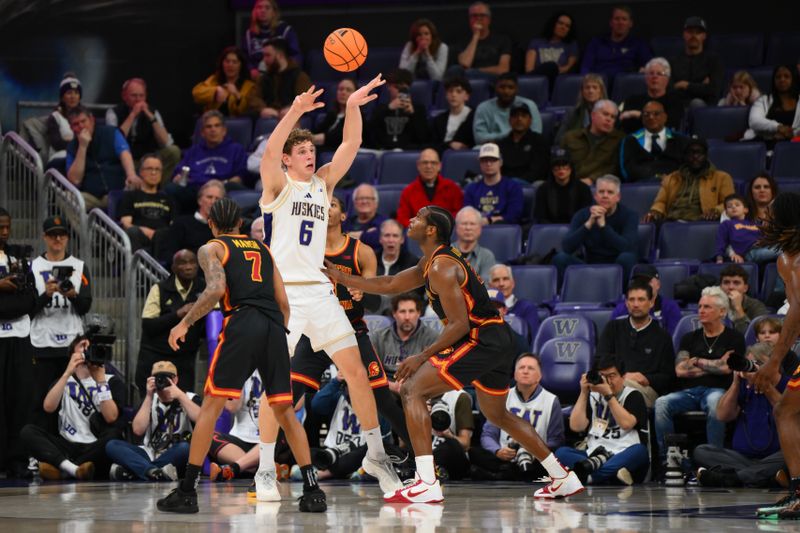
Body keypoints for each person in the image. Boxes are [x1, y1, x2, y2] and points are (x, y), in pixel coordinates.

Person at [323, 205, 585, 502]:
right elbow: (391, 283)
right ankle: (562, 476)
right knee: (496, 414)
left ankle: (426, 481)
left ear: (431, 229)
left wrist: (420, 356)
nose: (411, 220)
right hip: (496, 338)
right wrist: (344, 279)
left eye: (418, 218)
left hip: (480, 337)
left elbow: (459, 324)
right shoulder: (431, 262)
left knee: (411, 389)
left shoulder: (441, 267)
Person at [255, 78, 404, 500]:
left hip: (320, 292)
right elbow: (270, 150)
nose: (309, 155)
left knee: (356, 373)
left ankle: (376, 454)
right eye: (301, 152)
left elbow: (351, 144)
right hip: (284, 297)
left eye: (310, 150)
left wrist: (353, 105)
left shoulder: (323, 184)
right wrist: (297, 111)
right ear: (287, 160)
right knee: (277, 386)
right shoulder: (278, 186)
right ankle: (265, 468)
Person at [156, 198, 327, 513]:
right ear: (239, 224)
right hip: (275, 325)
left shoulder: (212, 248)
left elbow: (215, 290)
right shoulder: (264, 249)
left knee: (210, 407)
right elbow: (284, 302)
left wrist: (184, 322)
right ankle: (314, 491)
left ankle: (186, 492)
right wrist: (277, 334)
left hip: (242, 322)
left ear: (211, 223)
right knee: (285, 411)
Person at [286, 195, 410, 449]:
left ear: (343, 216)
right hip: (316, 334)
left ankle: (423, 457)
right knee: (286, 399)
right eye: (322, 205)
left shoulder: (361, 252)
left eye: (332, 204)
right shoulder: (305, 251)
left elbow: (375, 297)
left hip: (352, 332)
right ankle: (269, 464)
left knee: (383, 398)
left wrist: (362, 290)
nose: (326, 208)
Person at [654, 286, 746, 463]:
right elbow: (680, 370)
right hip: (689, 391)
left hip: (719, 390)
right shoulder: (689, 338)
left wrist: (695, 361)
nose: (701, 311)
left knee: (714, 404)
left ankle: (716, 461)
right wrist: (715, 363)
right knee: (661, 403)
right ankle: (670, 460)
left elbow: (727, 368)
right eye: (700, 306)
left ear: (722, 312)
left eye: (707, 307)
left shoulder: (734, 338)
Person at [752, 192, 800, 518]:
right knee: (787, 410)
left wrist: (774, 360)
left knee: (785, 412)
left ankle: (798, 493)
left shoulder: (791, 258)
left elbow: (798, 309)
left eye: (769, 214)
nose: (764, 219)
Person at [20, 334, 124, 481]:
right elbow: (48, 407)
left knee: (114, 437)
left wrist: (100, 381)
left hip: (95, 446)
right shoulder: (63, 381)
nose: (87, 350)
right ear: (72, 353)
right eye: (83, 345)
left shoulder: (111, 381)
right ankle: (74, 469)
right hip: (67, 445)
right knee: (28, 431)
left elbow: (111, 417)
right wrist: (67, 372)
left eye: (91, 347)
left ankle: (63, 468)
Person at [694, 342, 787, 488]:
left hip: (776, 456)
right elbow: (722, 415)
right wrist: (736, 383)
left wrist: (766, 386)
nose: (752, 368)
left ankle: (732, 478)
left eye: (758, 363)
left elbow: (786, 413)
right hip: (742, 458)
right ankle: (763, 478)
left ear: (773, 364)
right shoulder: (744, 385)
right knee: (702, 451)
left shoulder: (787, 384)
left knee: (789, 457)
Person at [29, 216, 92, 424]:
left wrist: (72, 294)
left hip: (71, 344)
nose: (57, 239)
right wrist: (46, 294)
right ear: (44, 237)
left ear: (67, 237)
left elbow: (85, 306)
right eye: (52, 235)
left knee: (71, 400)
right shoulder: (33, 266)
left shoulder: (80, 266)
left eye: (62, 234)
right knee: (40, 401)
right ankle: (39, 451)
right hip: (42, 342)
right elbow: (27, 309)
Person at [556, 354, 650, 485]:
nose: (607, 381)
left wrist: (608, 395)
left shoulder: (633, 395)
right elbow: (576, 426)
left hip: (622, 454)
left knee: (640, 451)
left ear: (623, 377)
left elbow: (626, 424)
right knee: (561, 453)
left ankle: (590, 478)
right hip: (594, 455)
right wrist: (583, 392)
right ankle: (611, 476)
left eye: (611, 376)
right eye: (603, 377)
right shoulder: (593, 396)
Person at [470, 354, 564, 481]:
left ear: (540, 375)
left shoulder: (551, 400)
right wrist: (498, 451)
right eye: (521, 368)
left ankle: (501, 475)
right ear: (514, 374)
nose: (525, 371)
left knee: (560, 456)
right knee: (474, 453)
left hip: (536, 458)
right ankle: (511, 473)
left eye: (531, 368)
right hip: (506, 455)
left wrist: (535, 451)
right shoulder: (502, 396)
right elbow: (488, 434)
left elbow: (556, 439)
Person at [106, 361, 200, 481]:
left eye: (167, 378)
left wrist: (180, 396)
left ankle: (137, 471)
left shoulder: (190, 398)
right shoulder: (150, 400)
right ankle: (155, 472)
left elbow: (200, 419)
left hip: (174, 454)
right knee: (112, 445)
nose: (162, 382)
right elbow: (137, 430)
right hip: (150, 453)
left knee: (185, 448)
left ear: (175, 379)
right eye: (158, 378)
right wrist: (149, 396)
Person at [597, 278, 676, 407]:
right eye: (631, 300)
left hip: (646, 390)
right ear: (626, 303)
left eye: (641, 299)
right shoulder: (613, 327)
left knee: (625, 389)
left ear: (651, 302)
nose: (635, 304)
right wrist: (619, 376)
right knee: (591, 385)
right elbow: (600, 360)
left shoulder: (662, 336)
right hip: (613, 383)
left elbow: (669, 377)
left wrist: (646, 378)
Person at [134, 250, 204, 394]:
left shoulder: (204, 290)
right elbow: (148, 325)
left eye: (192, 262)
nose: (189, 267)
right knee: (150, 405)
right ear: (173, 267)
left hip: (185, 360)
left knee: (183, 405)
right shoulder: (159, 289)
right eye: (183, 263)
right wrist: (178, 314)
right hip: (156, 357)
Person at [307, 366, 395, 480]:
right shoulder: (338, 398)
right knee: (307, 452)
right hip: (332, 454)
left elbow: (384, 442)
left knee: (366, 451)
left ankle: (326, 473)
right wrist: (336, 381)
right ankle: (343, 471)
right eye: (350, 385)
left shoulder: (376, 405)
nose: (354, 389)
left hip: (361, 455)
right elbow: (316, 405)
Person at [0, 208, 37, 477]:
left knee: (20, 399)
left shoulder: (19, 258)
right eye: (0, 227)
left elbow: (30, 300)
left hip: (20, 337)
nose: (4, 232)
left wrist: (11, 303)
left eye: (7, 226)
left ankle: (17, 460)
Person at [552, 174, 639, 284]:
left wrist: (603, 227)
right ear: (595, 196)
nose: (605, 196)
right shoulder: (582, 215)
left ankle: (623, 296)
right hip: (590, 266)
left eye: (610, 192)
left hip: (617, 266)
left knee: (627, 258)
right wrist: (588, 224)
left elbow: (627, 247)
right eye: (601, 192)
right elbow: (567, 247)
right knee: (560, 258)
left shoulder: (629, 215)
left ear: (618, 197)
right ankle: (565, 296)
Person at [167, 111, 248, 214]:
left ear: (224, 130)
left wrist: (219, 185)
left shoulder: (236, 149)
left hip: (223, 187)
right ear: (202, 132)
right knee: (170, 188)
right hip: (195, 189)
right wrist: (179, 177)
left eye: (217, 126)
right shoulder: (194, 151)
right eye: (208, 127)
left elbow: (240, 177)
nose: (213, 129)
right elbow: (180, 171)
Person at [65, 106, 140, 211]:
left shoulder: (111, 132)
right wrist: (82, 147)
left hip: (117, 190)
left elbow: (125, 154)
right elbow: (75, 180)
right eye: (76, 124)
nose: (81, 126)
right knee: (66, 198)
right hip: (92, 196)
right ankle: (85, 228)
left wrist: (131, 174)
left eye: (83, 121)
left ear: (92, 120)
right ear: (71, 128)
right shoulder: (72, 147)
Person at [105, 78, 181, 181]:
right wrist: (132, 115)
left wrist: (150, 116)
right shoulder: (113, 112)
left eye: (141, 96)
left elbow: (166, 142)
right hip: (125, 159)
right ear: (124, 96)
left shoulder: (153, 112)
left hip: (149, 156)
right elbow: (113, 142)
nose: (138, 100)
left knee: (174, 151)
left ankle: (162, 190)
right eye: (134, 95)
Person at [644, 138, 735, 222]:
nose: (695, 156)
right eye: (691, 153)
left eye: (699, 153)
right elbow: (661, 202)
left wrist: (716, 211)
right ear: (685, 156)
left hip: (701, 222)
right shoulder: (672, 178)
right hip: (672, 222)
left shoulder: (722, 177)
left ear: (706, 155)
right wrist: (655, 211)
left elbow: (729, 203)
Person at [370, 293, 439, 392]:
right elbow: (371, 372)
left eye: (411, 311)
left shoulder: (432, 338)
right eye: (402, 311)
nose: (407, 317)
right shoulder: (378, 337)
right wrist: (392, 386)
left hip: (420, 387)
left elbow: (436, 373)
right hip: (387, 388)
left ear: (418, 313)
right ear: (394, 313)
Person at [207, 370, 264, 481]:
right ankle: (259, 468)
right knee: (206, 436)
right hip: (239, 442)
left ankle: (234, 468)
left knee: (283, 433)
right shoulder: (241, 367)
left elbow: (296, 405)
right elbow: (231, 407)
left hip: (269, 439)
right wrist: (241, 372)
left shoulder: (277, 363)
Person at [118, 154, 176, 255]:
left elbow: (173, 225)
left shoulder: (169, 199)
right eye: (149, 168)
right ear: (140, 172)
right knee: (132, 232)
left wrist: (157, 234)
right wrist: (147, 231)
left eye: (157, 169)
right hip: (140, 236)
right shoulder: (130, 196)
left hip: (161, 238)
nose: (153, 172)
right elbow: (126, 223)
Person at [619, 100, 688, 182]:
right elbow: (627, 171)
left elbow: (687, 168)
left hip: (675, 186)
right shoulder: (630, 140)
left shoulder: (681, 140)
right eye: (646, 114)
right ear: (642, 119)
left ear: (665, 117)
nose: (651, 117)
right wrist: (653, 178)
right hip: (640, 188)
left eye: (656, 114)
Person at [561, 100, 624, 185]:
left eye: (613, 117)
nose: (609, 119)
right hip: (569, 183)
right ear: (593, 115)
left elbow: (615, 168)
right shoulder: (571, 137)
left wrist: (592, 179)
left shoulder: (620, 140)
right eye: (605, 114)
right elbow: (559, 163)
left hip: (601, 186)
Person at [367, 220, 423, 315]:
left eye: (395, 236)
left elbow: (413, 296)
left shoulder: (412, 263)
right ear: (380, 239)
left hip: (399, 310)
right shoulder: (370, 259)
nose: (391, 240)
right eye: (387, 235)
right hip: (372, 308)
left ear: (402, 239)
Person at [397, 149, 463, 228]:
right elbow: (402, 218)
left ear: (439, 166)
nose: (429, 166)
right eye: (425, 163)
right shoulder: (408, 191)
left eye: (433, 163)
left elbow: (459, 214)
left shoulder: (453, 188)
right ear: (418, 165)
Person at [367, 68, 429, 150]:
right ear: (389, 87)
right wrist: (388, 108)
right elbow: (369, 133)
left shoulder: (418, 109)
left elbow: (424, 138)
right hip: (383, 151)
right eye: (396, 87)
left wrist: (413, 114)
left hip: (408, 152)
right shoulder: (380, 109)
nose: (399, 91)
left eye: (403, 88)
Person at [618, 57, 684, 134]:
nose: (654, 77)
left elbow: (668, 126)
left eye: (659, 74)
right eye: (651, 73)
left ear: (667, 79)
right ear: (646, 78)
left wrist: (637, 114)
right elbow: (626, 126)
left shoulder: (674, 102)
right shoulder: (633, 100)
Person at [580, 6, 651, 76]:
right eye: (617, 19)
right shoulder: (596, 43)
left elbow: (650, 66)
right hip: (599, 83)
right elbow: (585, 67)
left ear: (630, 23)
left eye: (624, 19)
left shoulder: (638, 44)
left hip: (625, 84)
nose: (620, 23)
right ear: (611, 23)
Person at [610, 266, 682, 335]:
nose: (643, 286)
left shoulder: (670, 308)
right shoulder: (621, 309)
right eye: (639, 282)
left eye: (648, 281)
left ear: (658, 285)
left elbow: (672, 341)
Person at [669, 17, 724, 108]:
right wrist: (701, 87)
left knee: (697, 103)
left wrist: (686, 85)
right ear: (684, 34)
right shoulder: (674, 61)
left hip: (704, 110)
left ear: (704, 36)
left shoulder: (713, 60)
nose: (693, 36)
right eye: (690, 32)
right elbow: (670, 90)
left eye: (698, 32)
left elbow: (714, 90)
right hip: (679, 107)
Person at [463, 143, 524, 225]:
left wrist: (489, 220)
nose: (488, 164)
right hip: (477, 231)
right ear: (480, 163)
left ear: (500, 162)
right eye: (484, 160)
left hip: (505, 232)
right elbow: (467, 216)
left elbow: (514, 217)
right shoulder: (471, 189)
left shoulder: (513, 187)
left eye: (493, 159)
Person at [162, 180, 224, 261]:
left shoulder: (224, 229)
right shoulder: (181, 223)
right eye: (209, 197)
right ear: (199, 200)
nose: (213, 202)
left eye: (217, 199)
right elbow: (167, 254)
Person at [250, 38, 312, 119]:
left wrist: (293, 109)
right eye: (264, 55)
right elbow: (254, 98)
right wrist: (262, 109)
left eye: (268, 55)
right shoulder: (264, 78)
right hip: (268, 119)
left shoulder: (299, 76)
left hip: (292, 119)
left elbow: (306, 99)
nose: (264, 60)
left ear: (280, 55)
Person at [473, 73, 542, 145]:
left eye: (511, 87)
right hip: (494, 147)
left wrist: (499, 137)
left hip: (523, 145)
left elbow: (536, 134)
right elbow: (479, 139)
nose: (506, 91)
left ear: (517, 89)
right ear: (495, 88)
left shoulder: (529, 105)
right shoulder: (483, 108)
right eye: (502, 87)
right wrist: (510, 135)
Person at [242, 0, 301, 79]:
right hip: (257, 77)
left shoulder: (285, 30)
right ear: (254, 11)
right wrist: (251, 69)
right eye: (259, 7)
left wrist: (287, 70)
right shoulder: (249, 34)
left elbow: (296, 56)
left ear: (274, 12)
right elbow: (245, 58)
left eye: (267, 7)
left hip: (282, 74)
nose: (263, 10)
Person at [192, 46, 257, 117]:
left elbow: (245, 110)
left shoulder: (249, 86)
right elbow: (197, 93)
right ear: (222, 63)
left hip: (236, 124)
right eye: (227, 61)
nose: (230, 65)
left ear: (240, 65)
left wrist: (237, 95)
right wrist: (215, 91)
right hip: (213, 122)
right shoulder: (214, 79)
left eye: (234, 62)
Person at [451, 2, 512, 78]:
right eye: (474, 16)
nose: (478, 18)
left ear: (489, 20)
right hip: (468, 80)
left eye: (482, 15)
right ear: (470, 20)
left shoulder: (502, 40)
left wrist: (476, 71)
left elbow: (503, 69)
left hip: (493, 78)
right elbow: (465, 64)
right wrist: (476, 36)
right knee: (454, 70)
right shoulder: (461, 41)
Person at [532, 149, 592, 224]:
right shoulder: (543, 189)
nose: (561, 169)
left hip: (576, 229)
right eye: (557, 165)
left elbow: (585, 215)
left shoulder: (583, 188)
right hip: (550, 230)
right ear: (552, 170)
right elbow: (539, 216)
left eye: (564, 164)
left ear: (570, 168)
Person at [745, 65, 800, 146]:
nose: (782, 79)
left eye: (786, 76)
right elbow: (754, 121)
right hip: (767, 146)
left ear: (793, 79)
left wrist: (792, 134)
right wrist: (778, 128)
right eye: (778, 77)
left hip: (795, 147)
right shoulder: (763, 100)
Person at [428, 388, 474, 480]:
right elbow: (403, 444)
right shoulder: (416, 397)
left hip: (450, 454)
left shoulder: (459, 397)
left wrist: (449, 434)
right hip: (424, 450)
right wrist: (419, 417)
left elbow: (465, 444)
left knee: (451, 445)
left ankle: (433, 470)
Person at [497, 104, 550, 182]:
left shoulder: (539, 141)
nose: (519, 119)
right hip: (505, 184)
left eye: (523, 116)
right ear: (510, 121)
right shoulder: (502, 143)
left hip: (530, 184)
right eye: (515, 116)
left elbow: (539, 170)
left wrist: (517, 182)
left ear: (530, 120)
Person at [488, 264, 540, 343]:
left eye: (505, 279)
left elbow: (533, 342)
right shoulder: (483, 309)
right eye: (496, 280)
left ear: (513, 283)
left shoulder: (527, 308)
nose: (501, 284)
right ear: (490, 285)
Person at [524, 12, 578, 86]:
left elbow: (567, 67)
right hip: (537, 80)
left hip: (558, 81)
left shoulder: (571, 45)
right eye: (560, 23)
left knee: (552, 66)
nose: (563, 27)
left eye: (567, 26)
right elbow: (529, 70)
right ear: (553, 24)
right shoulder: (536, 42)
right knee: (550, 66)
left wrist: (553, 70)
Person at [715, 194, 771, 265]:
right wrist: (719, 258)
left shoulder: (755, 224)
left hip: (763, 247)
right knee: (783, 250)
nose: (733, 207)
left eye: (737, 205)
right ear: (726, 212)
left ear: (745, 209)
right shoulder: (726, 224)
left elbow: (765, 237)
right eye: (729, 206)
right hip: (749, 253)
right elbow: (721, 241)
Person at [555, 74, 608, 145]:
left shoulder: (610, 113)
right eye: (587, 87)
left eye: (595, 87)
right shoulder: (572, 113)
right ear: (582, 92)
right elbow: (559, 139)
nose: (591, 91)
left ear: (601, 92)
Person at [428, 76, 475, 153]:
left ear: (466, 96)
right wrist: (449, 144)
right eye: (450, 91)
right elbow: (433, 145)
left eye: (458, 91)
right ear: (446, 95)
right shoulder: (439, 119)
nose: (453, 95)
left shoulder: (474, 116)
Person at [719, 265, 769, 335]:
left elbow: (753, 338)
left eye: (736, 283)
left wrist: (738, 309)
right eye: (726, 282)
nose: (731, 287)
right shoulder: (714, 304)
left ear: (745, 288)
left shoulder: (757, 306)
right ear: (721, 287)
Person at [45, 73, 82, 168]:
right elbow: (57, 143)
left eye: (76, 93)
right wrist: (80, 142)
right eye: (69, 93)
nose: (73, 97)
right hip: (60, 158)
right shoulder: (55, 117)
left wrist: (71, 141)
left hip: (81, 156)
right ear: (62, 97)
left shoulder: (86, 117)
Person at [311, 78, 358, 152]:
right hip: (325, 150)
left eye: (348, 90)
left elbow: (337, 138)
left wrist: (306, 139)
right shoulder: (332, 114)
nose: (343, 92)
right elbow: (317, 131)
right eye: (341, 89)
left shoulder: (357, 117)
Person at [452, 206, 496, 280]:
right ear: (456, 227)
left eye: (472, 224)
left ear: (480, 228)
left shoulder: (487, 256)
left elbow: (485, 287)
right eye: (464, 224)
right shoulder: (444, 253)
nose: (468, 228)